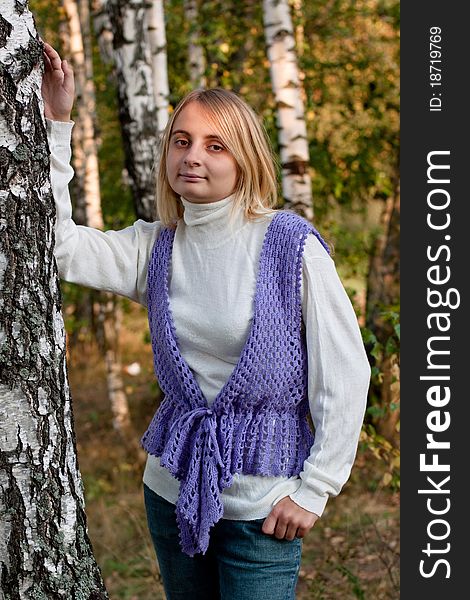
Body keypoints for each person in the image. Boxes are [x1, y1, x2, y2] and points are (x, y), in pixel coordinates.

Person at [42, 41, 371, 600]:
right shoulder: (156, 249)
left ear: (244, 159)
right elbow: (60, 246)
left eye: (215, 145)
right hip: (171, 493)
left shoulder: (289, 248)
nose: (193, 156)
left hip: (264, 510)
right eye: (182, 141)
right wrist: (56, 124)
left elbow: (346, 374)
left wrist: (314, 490)